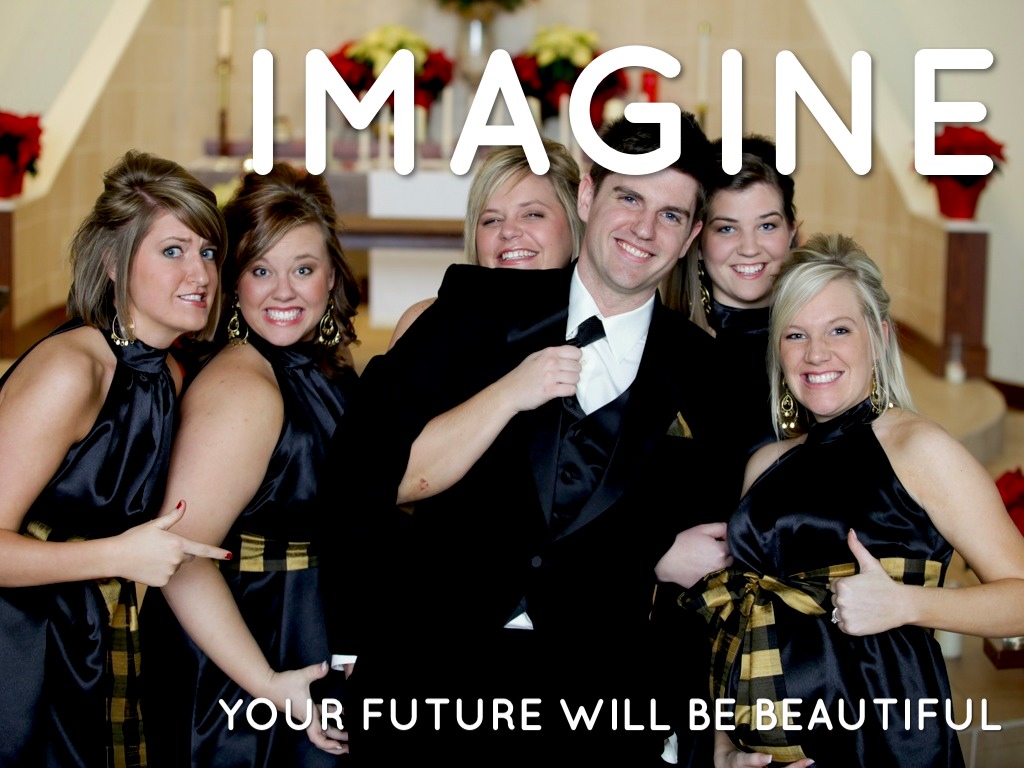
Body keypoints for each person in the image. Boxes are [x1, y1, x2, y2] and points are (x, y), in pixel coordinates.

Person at [334, 113, 733, 764]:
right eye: (629, 198)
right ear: (588, 196)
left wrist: (703, 733)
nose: (643, 228)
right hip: (431, 682)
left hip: (595, 708)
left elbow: (715, 556)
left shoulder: (709, 375)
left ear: (690, 235)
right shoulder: (470, 311)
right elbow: (359, 475)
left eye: (669, 214)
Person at [692, 233, 1024, 767]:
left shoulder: (918, 448)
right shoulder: (766, 464)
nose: (815, 353)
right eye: (796, 334)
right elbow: (734, 624)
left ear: (880, 337)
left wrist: (906, 604)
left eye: (839, 329)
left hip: (884, 747)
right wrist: (724, 748)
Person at [0, 150, 231, 767]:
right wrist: (116, 556)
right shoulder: (72, 370)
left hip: (98, 639)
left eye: (209, 252)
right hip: (21, 648)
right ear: (112, 262)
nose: (200, 274)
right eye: (173, 250)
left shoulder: (169, 373)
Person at [143, 164, 361, 766]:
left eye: (303, 269)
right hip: (249, 654)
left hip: (306, 629)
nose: (283, 291)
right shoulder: (244, 385)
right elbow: (180, 560)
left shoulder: (320, 367)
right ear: (234, 280)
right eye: (261, 270)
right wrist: (267, 684)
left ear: (331, 276)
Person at [387, 138, 583, 348]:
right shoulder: (423, 322)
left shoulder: (599, 326)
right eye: (492, 220)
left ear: (575, 220)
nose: (508, 231)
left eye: (532, 214)